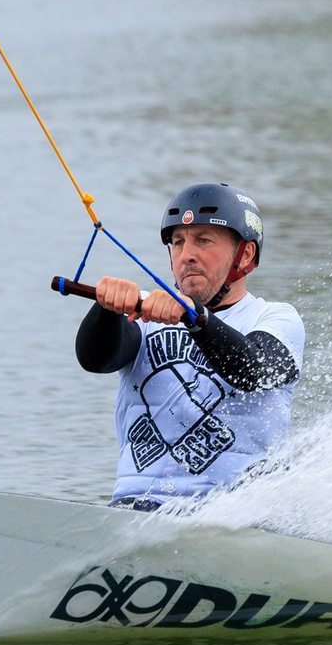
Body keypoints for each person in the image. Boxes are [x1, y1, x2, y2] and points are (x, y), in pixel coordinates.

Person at [77, 182, 305, 511]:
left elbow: (253, 371)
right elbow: (95, 359)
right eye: (178, 242)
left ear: (246, 254)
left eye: (203, 240)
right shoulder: (142, 315)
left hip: (234, 514)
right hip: (135, 510)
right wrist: (105, 311)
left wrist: (195, 318)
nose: (186, 255)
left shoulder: (275, 318)